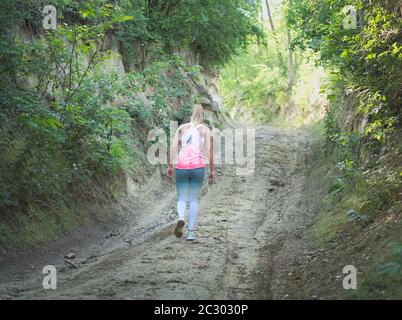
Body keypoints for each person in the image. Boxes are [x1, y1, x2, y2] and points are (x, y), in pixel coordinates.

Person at [167, 104, 215, 241]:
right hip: (197, 168)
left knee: (181, 198)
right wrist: (212, 170)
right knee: (193, 199)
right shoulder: (205, 130)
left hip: (181, 167)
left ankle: (181, 217)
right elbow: (209, 151)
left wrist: (170, 165)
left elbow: (173, 147)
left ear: (191, 115)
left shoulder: (182, 128)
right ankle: (191, 232)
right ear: (203, 117)